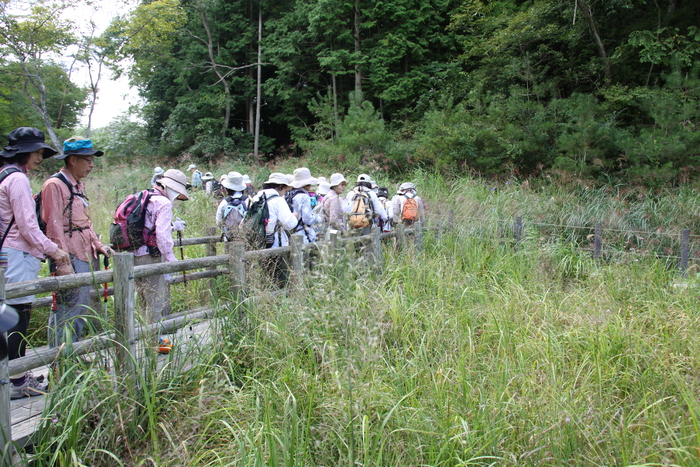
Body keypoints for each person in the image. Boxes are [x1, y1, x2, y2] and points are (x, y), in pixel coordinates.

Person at [0, 127, 70, 399]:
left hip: (6, 253)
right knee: (18, 315)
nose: (41, 156)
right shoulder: (17, 179)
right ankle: (18, 380)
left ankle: (13, 376)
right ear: (24, 152)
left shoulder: (3, 176)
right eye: (38, 151)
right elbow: (28, 227)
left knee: (8, 314)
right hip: (18, 254)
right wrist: (55, 251)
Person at [42, 137, 114, 348]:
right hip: (69, 257)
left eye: (93, 160)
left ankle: (72, 359)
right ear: (72, 160)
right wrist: (62, 263)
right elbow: (54, 226)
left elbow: (84, 220)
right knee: (67, 310)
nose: (92, 165)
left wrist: (97, 244)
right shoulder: (55, 185)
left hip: (83, 253)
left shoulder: (77, 185)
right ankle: (61, 362)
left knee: (80, 308)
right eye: (87, 159)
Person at [134, 169, 189, 322]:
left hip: (133, 255)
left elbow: (148, 227)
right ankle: (153, 341)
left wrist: (172, 226)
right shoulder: (164, 203)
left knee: (143, 298)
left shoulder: (144, 196)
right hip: (150, 256)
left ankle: (143, 336)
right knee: (155, 299)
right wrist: (171, 259)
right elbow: (162, 236)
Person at [250, 173, 298, 286]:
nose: (284, 193)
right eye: (285, 190)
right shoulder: (278, 200)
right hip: (276, 244)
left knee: (265, 277)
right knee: (281, 279)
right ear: (280, 186)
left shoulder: (256, 198)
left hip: (259, 243)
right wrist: (294, 216)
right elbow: (289, 224)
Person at [286, 167, 323, 243]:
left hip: (291, 232)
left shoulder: (290, 194)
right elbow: (307, 219)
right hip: (302, 233)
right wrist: (317, 218)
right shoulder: (304, 196)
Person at [216, 171, 247, 241]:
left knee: (229, 252)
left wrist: (225, 231)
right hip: (245, 237)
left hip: (229, 237)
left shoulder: (224, 202)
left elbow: (219, 221)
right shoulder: (247, 201)